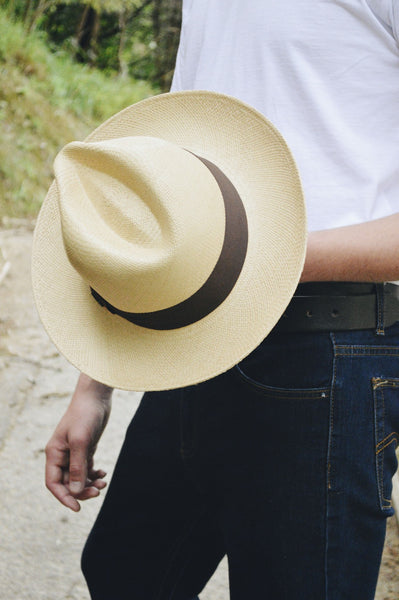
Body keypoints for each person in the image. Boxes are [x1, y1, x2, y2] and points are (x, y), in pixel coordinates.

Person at [42, 1, 399, 599]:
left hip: (324, 350)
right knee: (124, 576)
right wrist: (95, 380)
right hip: (194, 341)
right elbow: (174, 194)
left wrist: (261, 258)